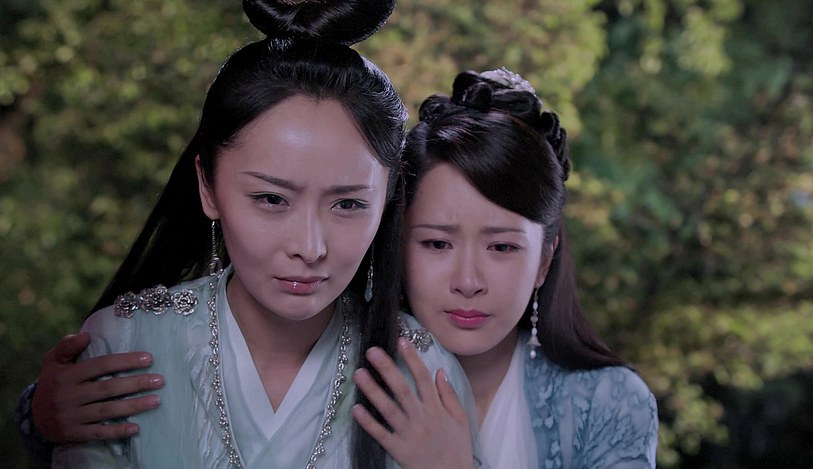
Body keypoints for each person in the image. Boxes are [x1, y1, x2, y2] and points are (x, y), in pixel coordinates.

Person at [19, 1, 477, 467]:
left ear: (388, 197)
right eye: (272, 199)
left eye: (348, 204)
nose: (309, 248)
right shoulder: (123, 343)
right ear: (208, 186)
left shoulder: (424, 371)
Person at [350, 69, 659, 468]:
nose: (467, 282)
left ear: (544, 261)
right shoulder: (344, 375)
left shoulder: (610, 404)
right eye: (438, 244)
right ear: (398, 246)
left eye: (501, 247)